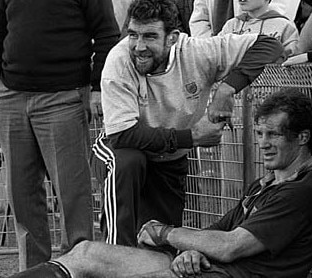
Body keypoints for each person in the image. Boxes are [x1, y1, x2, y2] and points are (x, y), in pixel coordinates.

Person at [8, 88, 312, 278]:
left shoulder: (303, 191)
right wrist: (187, 250)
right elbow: (219, 234)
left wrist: (166, 232)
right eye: (259, 134)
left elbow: (231, 246)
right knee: (86, 253)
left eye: (273, 134)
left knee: (94, 265)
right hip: (205, 271)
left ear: (302, 137)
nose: (262, 143)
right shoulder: (269, 183)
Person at [90, 0, 283, 247]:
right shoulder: (119, 59)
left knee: (160, 246)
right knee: (128, 161)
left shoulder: (197, 52)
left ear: (172, 38)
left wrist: (226, 90)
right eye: (133, 35)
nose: (139, 46)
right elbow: (122, 135)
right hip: (119, 150)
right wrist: (191, 137)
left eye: (149, 36)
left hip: (169, 160)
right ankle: (114, 254)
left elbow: (269, 45)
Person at [0, 0, 120, 271]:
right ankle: (34, 272)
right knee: (22, 194)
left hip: (63, 97)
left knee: (73, 195)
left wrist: (96, 87)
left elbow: (107, 34)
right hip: (11, 96)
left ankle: (77, 269)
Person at [191, 0, 299, 57]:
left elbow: (290, 60)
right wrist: (207, 49)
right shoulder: (231, 25)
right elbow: (199, 19)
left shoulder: (284, 26)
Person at [189, 0, 301, 37]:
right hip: (217, 57)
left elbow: (275, 11)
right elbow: (200, 19)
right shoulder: (230, 25)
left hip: (258, 58)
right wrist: (210, 49)